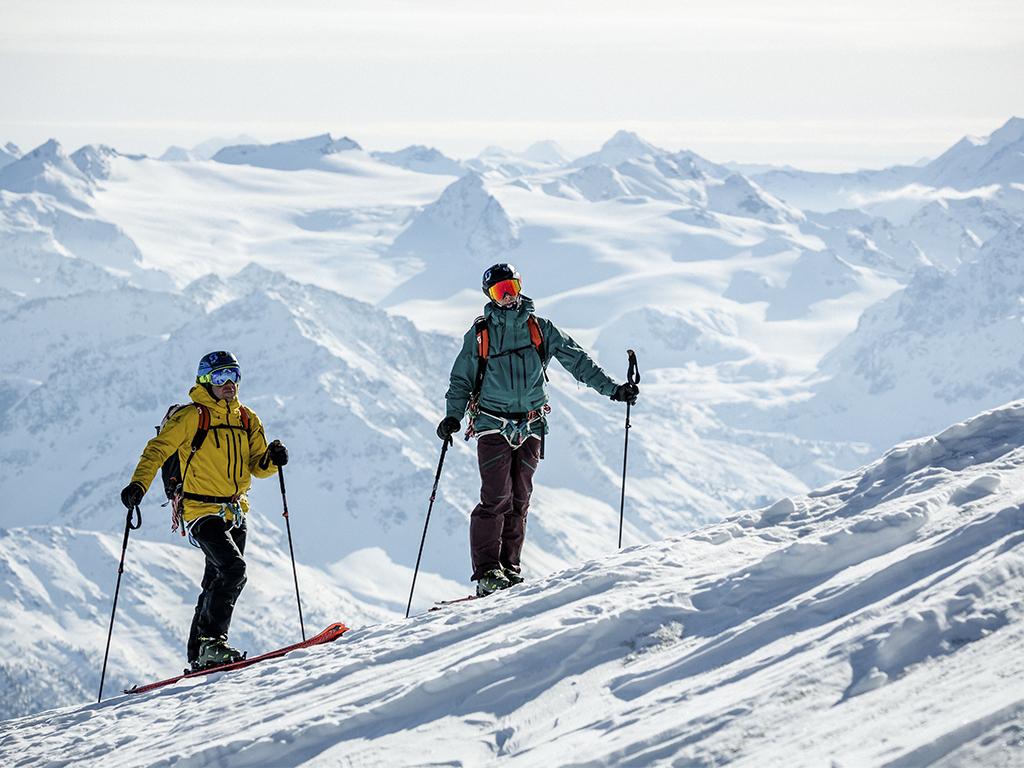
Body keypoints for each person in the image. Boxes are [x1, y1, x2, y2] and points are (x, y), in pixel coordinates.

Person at [437, 264, 639, 597]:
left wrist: (613, 389)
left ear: (519, 287)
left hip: (531, 424)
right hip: (491, 424)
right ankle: (488, 573)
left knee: (520, 498)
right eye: (499, 292)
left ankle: (509, 569)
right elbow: (461, 379)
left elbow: (578, 361)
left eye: (511, 288)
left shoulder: (540, 329)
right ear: (489, 296)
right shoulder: (480, 335)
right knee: (495, 498)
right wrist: (452, 417)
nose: (507, 297)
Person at [120, 351, 289, 670]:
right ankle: (213, 643)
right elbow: (158, 451)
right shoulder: (191, 417)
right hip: (200, 510)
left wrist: (272, 459)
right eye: (219, 377)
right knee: (233, 570)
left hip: (235, 511)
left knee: (215, 580)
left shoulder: (247, 418)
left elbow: (256, 465)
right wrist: (138, 486)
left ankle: (198, 655)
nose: (229, 384)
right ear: (204, 381)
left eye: (234, 376)